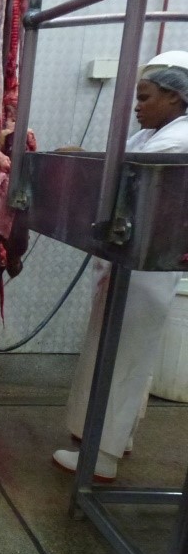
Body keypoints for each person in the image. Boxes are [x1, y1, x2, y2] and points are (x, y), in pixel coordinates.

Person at [54, 51, 188, 482]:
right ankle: (112, 439)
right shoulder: (153, 134)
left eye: (145, 97)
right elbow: (115, 161)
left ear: (174, 96)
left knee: (123, 356)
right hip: (127, 265)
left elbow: (125, 176)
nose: (136, 106)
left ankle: (102, 458)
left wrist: (83, 163)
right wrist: (80, 156)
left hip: (144, 271)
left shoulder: (178, 140)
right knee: (115, 354)